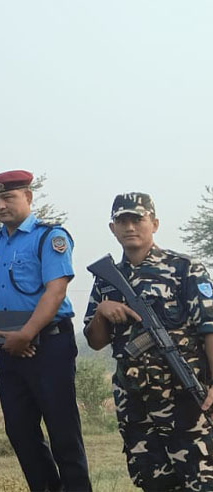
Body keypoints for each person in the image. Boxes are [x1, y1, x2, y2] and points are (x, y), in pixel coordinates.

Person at [84, 193, 213, 491]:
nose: (130, 227)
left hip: (186, 397)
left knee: (201, 481)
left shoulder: (185, 269)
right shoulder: (106, 279)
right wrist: (102, 312)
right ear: (112, 228)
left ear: (154, 224)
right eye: (122, 221)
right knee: (153, 483)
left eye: (137, 219)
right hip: (136, 403)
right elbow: (95, 342)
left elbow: (209, 328)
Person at [0, 170, 91, 491]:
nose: (0, 205)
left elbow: (55, 291)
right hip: (10, 346)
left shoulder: (49, 237)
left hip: (50, 345)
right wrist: (5, 336)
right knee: (20, 430)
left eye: (8, 197)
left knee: (63, 431)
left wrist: (26, 333)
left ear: (27, 197)